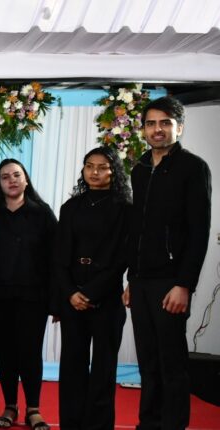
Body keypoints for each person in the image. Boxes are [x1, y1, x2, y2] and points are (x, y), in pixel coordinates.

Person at [123, 96, 211, 430]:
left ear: (179, 127)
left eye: (165, 123)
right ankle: (148, 424)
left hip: (171, 281)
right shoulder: (140, 169)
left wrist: (184, 284)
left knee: (171, 362)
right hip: (141, 281)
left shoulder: (193, 167)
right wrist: (131, 279)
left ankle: (173, 425)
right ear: (144, 129)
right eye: (151, 123)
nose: (157, 129)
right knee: (147, 361)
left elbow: (199, 231)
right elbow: (138, 230)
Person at [53, 146, 130, 430]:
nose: (94, 172)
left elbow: (122, 258)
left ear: (114, 171)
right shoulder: (70, 207)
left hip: (107, 299)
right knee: (72, 367)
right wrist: (70, 293)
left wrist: (90, 293)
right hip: (72, 298)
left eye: (102, 167)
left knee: (103, 369)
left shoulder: (125, 209)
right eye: (89, 166)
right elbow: (59, 256)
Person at [0, 159, 56, 430]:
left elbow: (56, 258)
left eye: (17, 175)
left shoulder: (42, 213)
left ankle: (33, 409)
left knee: (30, 353)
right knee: (5, 353)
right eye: (5, 177)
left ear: (26, 179)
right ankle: (10, 406)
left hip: (33, 297)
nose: (12, 180)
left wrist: (56, 301)